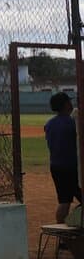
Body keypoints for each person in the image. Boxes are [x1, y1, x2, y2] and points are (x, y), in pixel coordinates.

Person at [44, 92, 80, 223]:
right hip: (70, 166)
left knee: (64, 201)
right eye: (68, 102)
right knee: (68, 200)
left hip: (56, 166)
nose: (71, 104)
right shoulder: (71, 123)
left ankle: (62, 237)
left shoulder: (49, 124)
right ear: (65, 104)